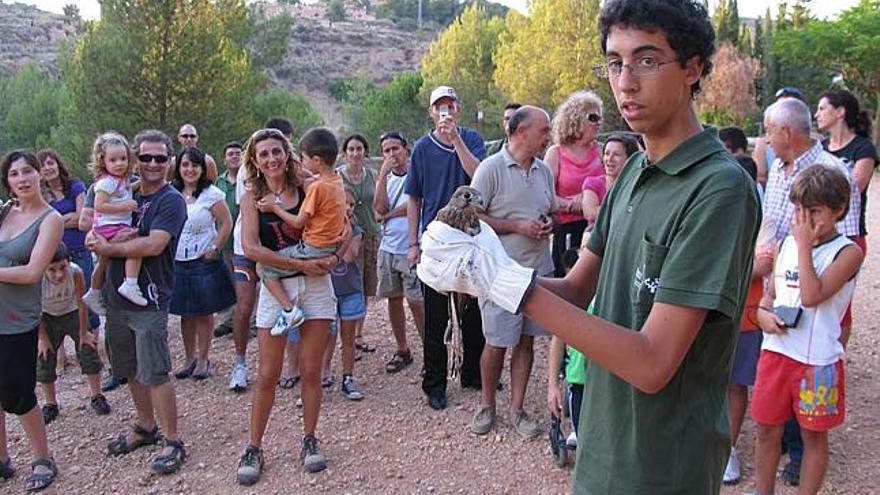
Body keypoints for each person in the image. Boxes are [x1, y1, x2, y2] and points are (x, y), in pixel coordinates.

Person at [417, 0, 760, 492]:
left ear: (693, 68)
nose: (624, 81)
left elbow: (652, 362)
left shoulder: (718, 190)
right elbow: (577, 289)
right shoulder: (633, 172)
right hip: (601, 442)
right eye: (615, 62)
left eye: (646, 59)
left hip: (661, 464)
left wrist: (507, 283)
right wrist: (479, 272)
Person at [753, 165, 863, 495]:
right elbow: (770, 297)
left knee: (813, 435)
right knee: (766, 430)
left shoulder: (847, 252)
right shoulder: (786, 245)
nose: (804, 220)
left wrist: (803, 245)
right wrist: (762, 316)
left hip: (817, 361)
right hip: (776, 353)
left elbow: (813, 295)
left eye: (814, 211)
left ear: (839, 209)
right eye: (799, 210)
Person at [235, 128, 336, 484]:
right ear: (255, 161)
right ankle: (254, 445)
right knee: (267, 373)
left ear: (286, 152)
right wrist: (301, 265)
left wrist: (334, 252)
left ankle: (309, 438)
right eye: (263, 154)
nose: (271, 159)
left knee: (311, 370)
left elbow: (338, 223)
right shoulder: (250, 198)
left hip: (316, 287)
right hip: (278, 288)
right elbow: (251, 248)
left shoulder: (310, 185)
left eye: (276, 151)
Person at [86, 129, 188, 475]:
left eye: (160, 158)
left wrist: (108, 248)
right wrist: (94, 238)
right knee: (128, 369)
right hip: (116, 297)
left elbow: (154, 245)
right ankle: (146, 427)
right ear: (134, 159)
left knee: (155, 371)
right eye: (145, 157)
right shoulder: (122, 193)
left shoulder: (169, 200)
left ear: (170, 161)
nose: (153, 164)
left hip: (150, 298)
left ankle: (173, 440)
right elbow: (97, 223)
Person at [468, 105, 555, 438]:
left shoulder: (544, 170)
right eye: (543, 130)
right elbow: (471, 217)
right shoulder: (490, 169)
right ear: (521, 133)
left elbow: (551, 210)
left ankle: (517, 409)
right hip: (500, 274)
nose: (548, 136)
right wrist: (517, 225)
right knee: (496, 342)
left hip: (537, 273)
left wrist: (548, 223)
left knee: (526, 342)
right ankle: (487, 405)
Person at [405, 84, 487, 410]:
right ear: (431, 112)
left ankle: (472, 373)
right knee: (436, 316)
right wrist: (412, 243)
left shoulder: (473, 139)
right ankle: (435, 383)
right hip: (437, 240)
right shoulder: (422, 148)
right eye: (440, 106)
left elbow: (479, 176)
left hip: (469, 235)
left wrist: (456, 140)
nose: (446, 112)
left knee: (475, 311)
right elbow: (414, 196)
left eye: (450, 105)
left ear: (459, 109)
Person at [0, 150, 64, 491]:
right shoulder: (4, 211)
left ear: (40, 173)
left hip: (16, 319)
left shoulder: (50, 219)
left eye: (27, 171)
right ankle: (2, 459)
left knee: (18, 394)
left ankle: (43, 457)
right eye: (14, 174)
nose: (22, 179)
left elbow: (32, 272)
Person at [259, 127, 349, 337]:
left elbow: (299, 222)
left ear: (316, 160)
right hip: (330, 245)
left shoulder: (317, 188)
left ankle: (289, 311)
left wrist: (274, 208)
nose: (303, 162)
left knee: (265, 268)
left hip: (313, 247)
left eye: (305, 158)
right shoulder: (336, 181)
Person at [169, 147, 235, 380]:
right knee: (185, 314)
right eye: (185, 165)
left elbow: (226, 223)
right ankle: (189, 359)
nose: (190, 170)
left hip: (203, 260)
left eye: (194, 165)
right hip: (178, 260)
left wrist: (216, 247)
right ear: (178, 168)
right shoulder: (171, 193)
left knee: (205, 312)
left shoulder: (212, 194)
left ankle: (204, 359)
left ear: (202, 169)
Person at [37, 243, 110, 425]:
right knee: (44, 356)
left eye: (62, 267)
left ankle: (96, 395)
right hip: (46, 316)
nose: (59, 274)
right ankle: (50, 403)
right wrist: (42, 339)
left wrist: (83, 332)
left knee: (88, 349)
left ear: (69, 263)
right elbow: (33, 310)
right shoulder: (37, 279)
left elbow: (81, 302)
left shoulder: (75, 272)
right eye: (52, 270)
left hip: (72, 312)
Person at [373, 131, 424, 373]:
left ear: (406, 148)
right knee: (393, 299)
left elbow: (414, 204)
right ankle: (402, 349)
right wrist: (382, 175)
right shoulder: (385, 178)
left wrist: (388, 215)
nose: (392, 154)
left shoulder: (418, 172)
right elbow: (378, 209)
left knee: (417, 301)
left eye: (396, 148)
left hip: (412, 245)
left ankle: (430, 350)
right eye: (387, 150)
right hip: (389, 247)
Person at [38, 149, 101, 334]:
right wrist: (68, 218)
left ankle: (92, 344)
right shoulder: (41, 195)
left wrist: (55, 221)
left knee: (86, 297)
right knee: (53, 301)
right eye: (43, 166)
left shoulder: (75, 186)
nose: (48, 168)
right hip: (54, 255)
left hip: (79, 250)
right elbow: (41, 223)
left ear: (58, 163)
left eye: (51, 163)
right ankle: (60, 354)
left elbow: (82, 218)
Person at [81, 132, 146, 311]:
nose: (119, 163)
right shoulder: (105, 183)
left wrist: (138, 184)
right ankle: (130, 283)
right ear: (103, 161)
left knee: (102, 262)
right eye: (113, 160)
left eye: (123, 158)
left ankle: (94, 292)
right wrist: (126, 206)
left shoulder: (119, 180)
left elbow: (124, 190)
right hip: (109, 226)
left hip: (112, 226)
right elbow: (99, 206)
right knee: (135, 246)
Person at [543, 90, 605, 276]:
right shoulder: (556, 153)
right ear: (575, 119)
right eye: (593, 117)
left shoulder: (603, 151)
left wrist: (587, 200)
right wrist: (573, 204)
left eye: (600, 117)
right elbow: (544, 194)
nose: (599, 122)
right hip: (567, 230)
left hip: (597, 228)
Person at [338, 134, 380, 353]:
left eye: (359, 149)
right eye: (351, 149)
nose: (355, 153)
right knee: (349, 285)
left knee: (365, 286)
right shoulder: (337, 177)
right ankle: (344, 337)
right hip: (346, 237)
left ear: (365, 151)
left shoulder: (373, 175)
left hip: (371, 235)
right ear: (345, 153)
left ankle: (359, 335)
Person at [323, 189, 366, 400]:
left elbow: (349, 256)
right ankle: (324, 372)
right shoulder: (321, 229)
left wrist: (343, 230)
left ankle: (348, 377)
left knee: (348, 336)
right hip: (327, 291)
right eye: (343, 203)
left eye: (350, 204)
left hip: (350, 290)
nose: (347, 207)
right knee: (326, 335)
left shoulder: (355, 230)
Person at [213, 141, 244, 338]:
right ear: (224, 159)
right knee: (226, 281)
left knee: (245, 282)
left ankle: (246, 320)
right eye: (230, 154)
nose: (234, 156)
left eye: (237, 153)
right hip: (224, 241)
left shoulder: (248, 180)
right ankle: (227, 320)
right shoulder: (218, 183)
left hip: (243, 241)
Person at [580, 133, 638, 225]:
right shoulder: (592, 183)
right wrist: (628, 209)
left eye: (616, 155)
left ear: (630, 159)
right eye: (607, 154)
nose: (609, 159)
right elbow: (590, 213)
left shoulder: (637, 185)